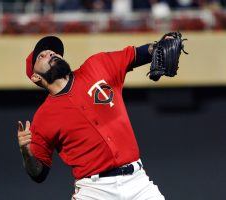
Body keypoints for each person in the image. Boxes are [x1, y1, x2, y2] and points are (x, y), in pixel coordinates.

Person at [17, 35, 165, 199]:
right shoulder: (43, 117)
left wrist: (158, 47)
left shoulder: (96, 66)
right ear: (36, 77)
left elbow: (137, 54)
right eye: (42, 55)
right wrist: (26, 153)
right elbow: (38, 173)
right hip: (94, 191)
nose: (51, 53)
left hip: (137, 182)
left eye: (53, 51)